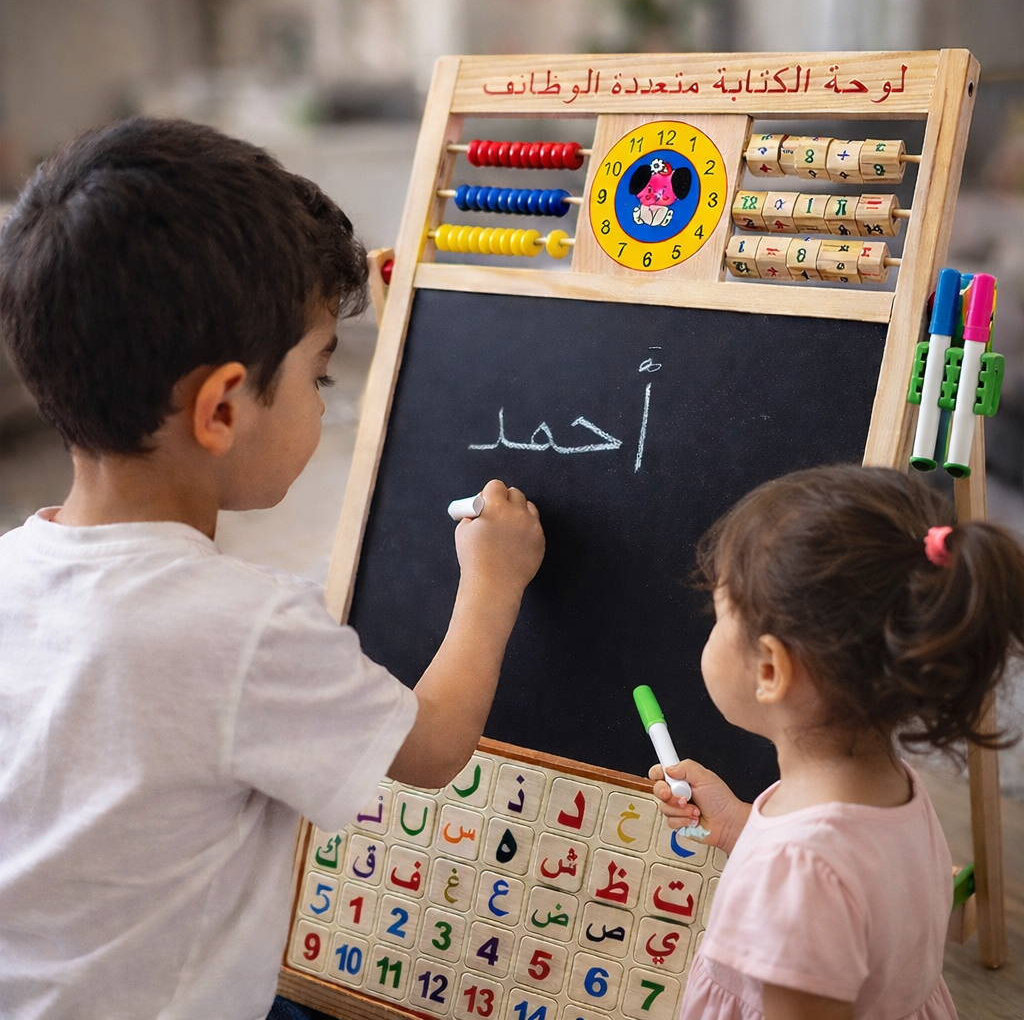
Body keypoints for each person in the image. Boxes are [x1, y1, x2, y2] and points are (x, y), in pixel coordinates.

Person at [0, 117, 545, 1020]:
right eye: (319, 377)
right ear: (221, 408)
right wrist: (493, 582)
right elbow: (434, 748)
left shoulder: (15, 572)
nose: (326, 403)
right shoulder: (247, 632)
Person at [651, 464, 1024, 1020]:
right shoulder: (892, 788)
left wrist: (777, 863)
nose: (710, 625)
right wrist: (736, 825)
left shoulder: (799, 877)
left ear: (771, 669)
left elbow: (813, 883)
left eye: (719, 612)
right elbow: (847, 883)